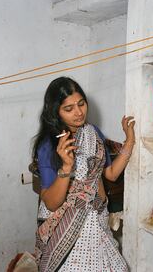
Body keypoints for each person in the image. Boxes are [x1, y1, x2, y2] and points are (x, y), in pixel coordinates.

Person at [32, 76, 134, 271]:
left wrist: (129, 140)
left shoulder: (92, 132)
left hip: (97, 221)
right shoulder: (49, 145)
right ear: (56, 112)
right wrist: (66, 167)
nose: (79, 113)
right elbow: (52, 203)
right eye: (69, 109)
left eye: (81, 104)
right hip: (66, 231)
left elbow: (111, 174)